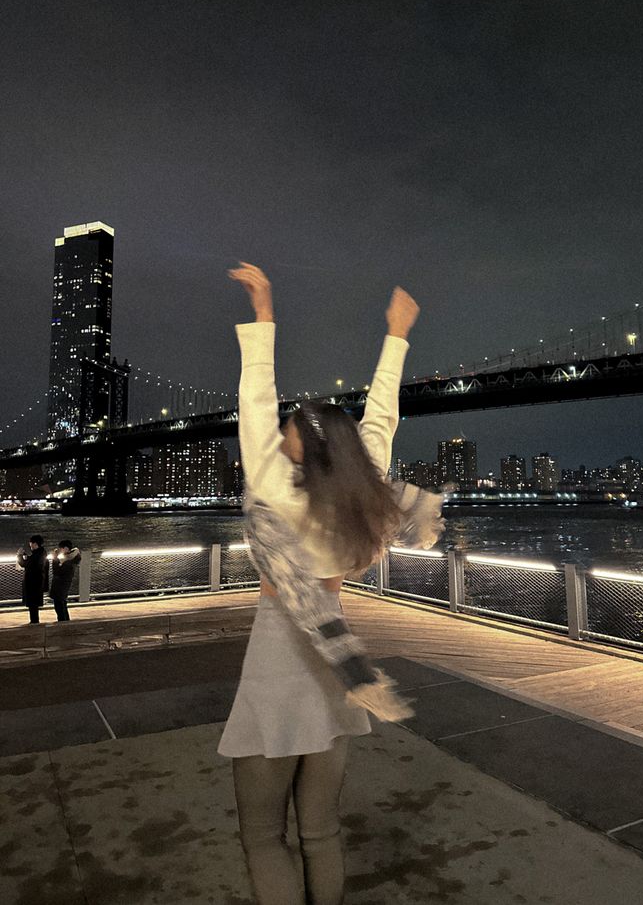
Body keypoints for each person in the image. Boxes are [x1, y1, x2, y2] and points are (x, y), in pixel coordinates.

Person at [220, 263, 422, 905]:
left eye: (285, 432)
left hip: (276, 661)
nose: (276, 435)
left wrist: (265, 317)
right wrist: (396, 336)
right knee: (322, 833)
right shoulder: (356, 499)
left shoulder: (273, 489)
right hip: (337, 671)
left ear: (301, 447)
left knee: (260, 836)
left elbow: (254, 401)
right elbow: (379, 423)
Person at [16, 534, 49, 624]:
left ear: (35, 543)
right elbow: (31, 562)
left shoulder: (37, 555)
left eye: (31, 544)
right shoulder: (41, 553)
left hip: (33, 583)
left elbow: (25, 564)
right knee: (34, 604)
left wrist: (19, 555)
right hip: (37, 582)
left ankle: (34, 622)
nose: (30, 545)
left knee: (33, 604)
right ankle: (34, 621)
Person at [50, 540, 81, 622]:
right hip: (63, 585)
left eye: (61, 548)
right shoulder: (71, 558)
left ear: (66, 548)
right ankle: (66, 622)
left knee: (59, 605)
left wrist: (55, 558)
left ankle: (63, 623)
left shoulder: (69, 561)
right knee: (62, 604)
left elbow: (56, 571)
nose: (60, 550)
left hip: (61, 585)